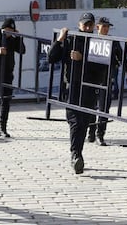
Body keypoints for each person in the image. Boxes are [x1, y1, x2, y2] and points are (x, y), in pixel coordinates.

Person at [48, 12, 99, 174]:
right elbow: (51, 58)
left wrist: (82, 58)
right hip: (71, 88)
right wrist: (60, 39)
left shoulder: (97, 42)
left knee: (83, 123)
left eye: (90, 24)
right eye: (85, 24)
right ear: (79, 25)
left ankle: (78, 153)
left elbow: (102, 68)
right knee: (75, 121)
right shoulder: (70, 39)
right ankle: (75, 155)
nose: (88, 27)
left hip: (89, 88)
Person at [87, 17, 127, 145]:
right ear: (97, 27)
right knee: (90, 106)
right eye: (104, 26)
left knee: (104, 108)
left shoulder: (113, 41)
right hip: (91, 78)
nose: (106, 29)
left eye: (108, 26)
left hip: (106, 78)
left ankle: (100, 134)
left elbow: (121, 58)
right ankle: (91, 131)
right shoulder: (90, 40)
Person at [0, 18, 25, 138]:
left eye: (11, 30)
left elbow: (22, 50)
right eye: (7, 30)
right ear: (3, 28)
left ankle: (3, 128)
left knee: (6, 101)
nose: (9, 32)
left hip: (7, 75)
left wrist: (18, 37)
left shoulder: (12, 40)